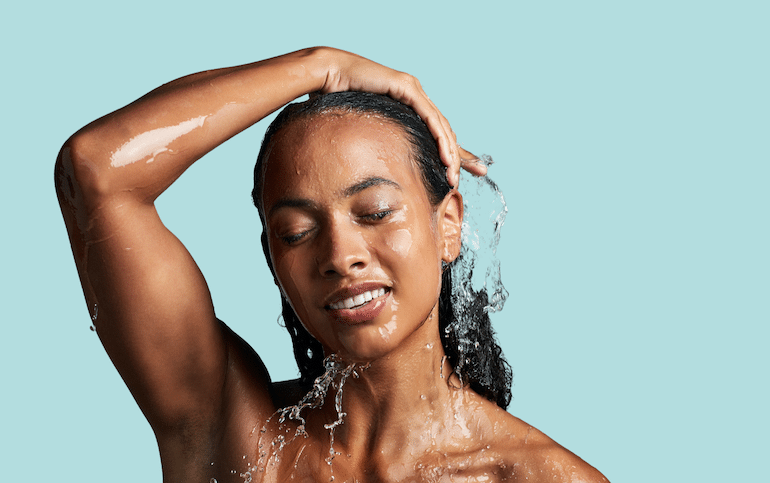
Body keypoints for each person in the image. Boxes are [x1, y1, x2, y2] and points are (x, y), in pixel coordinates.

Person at [55, 47, 608, 482]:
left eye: (375, 212)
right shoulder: (234, 436)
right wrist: (320, 66)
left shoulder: (539, 477)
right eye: (297, 233)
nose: (341, 256)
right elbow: (98, 170)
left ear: (448, 224)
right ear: (273, 257)